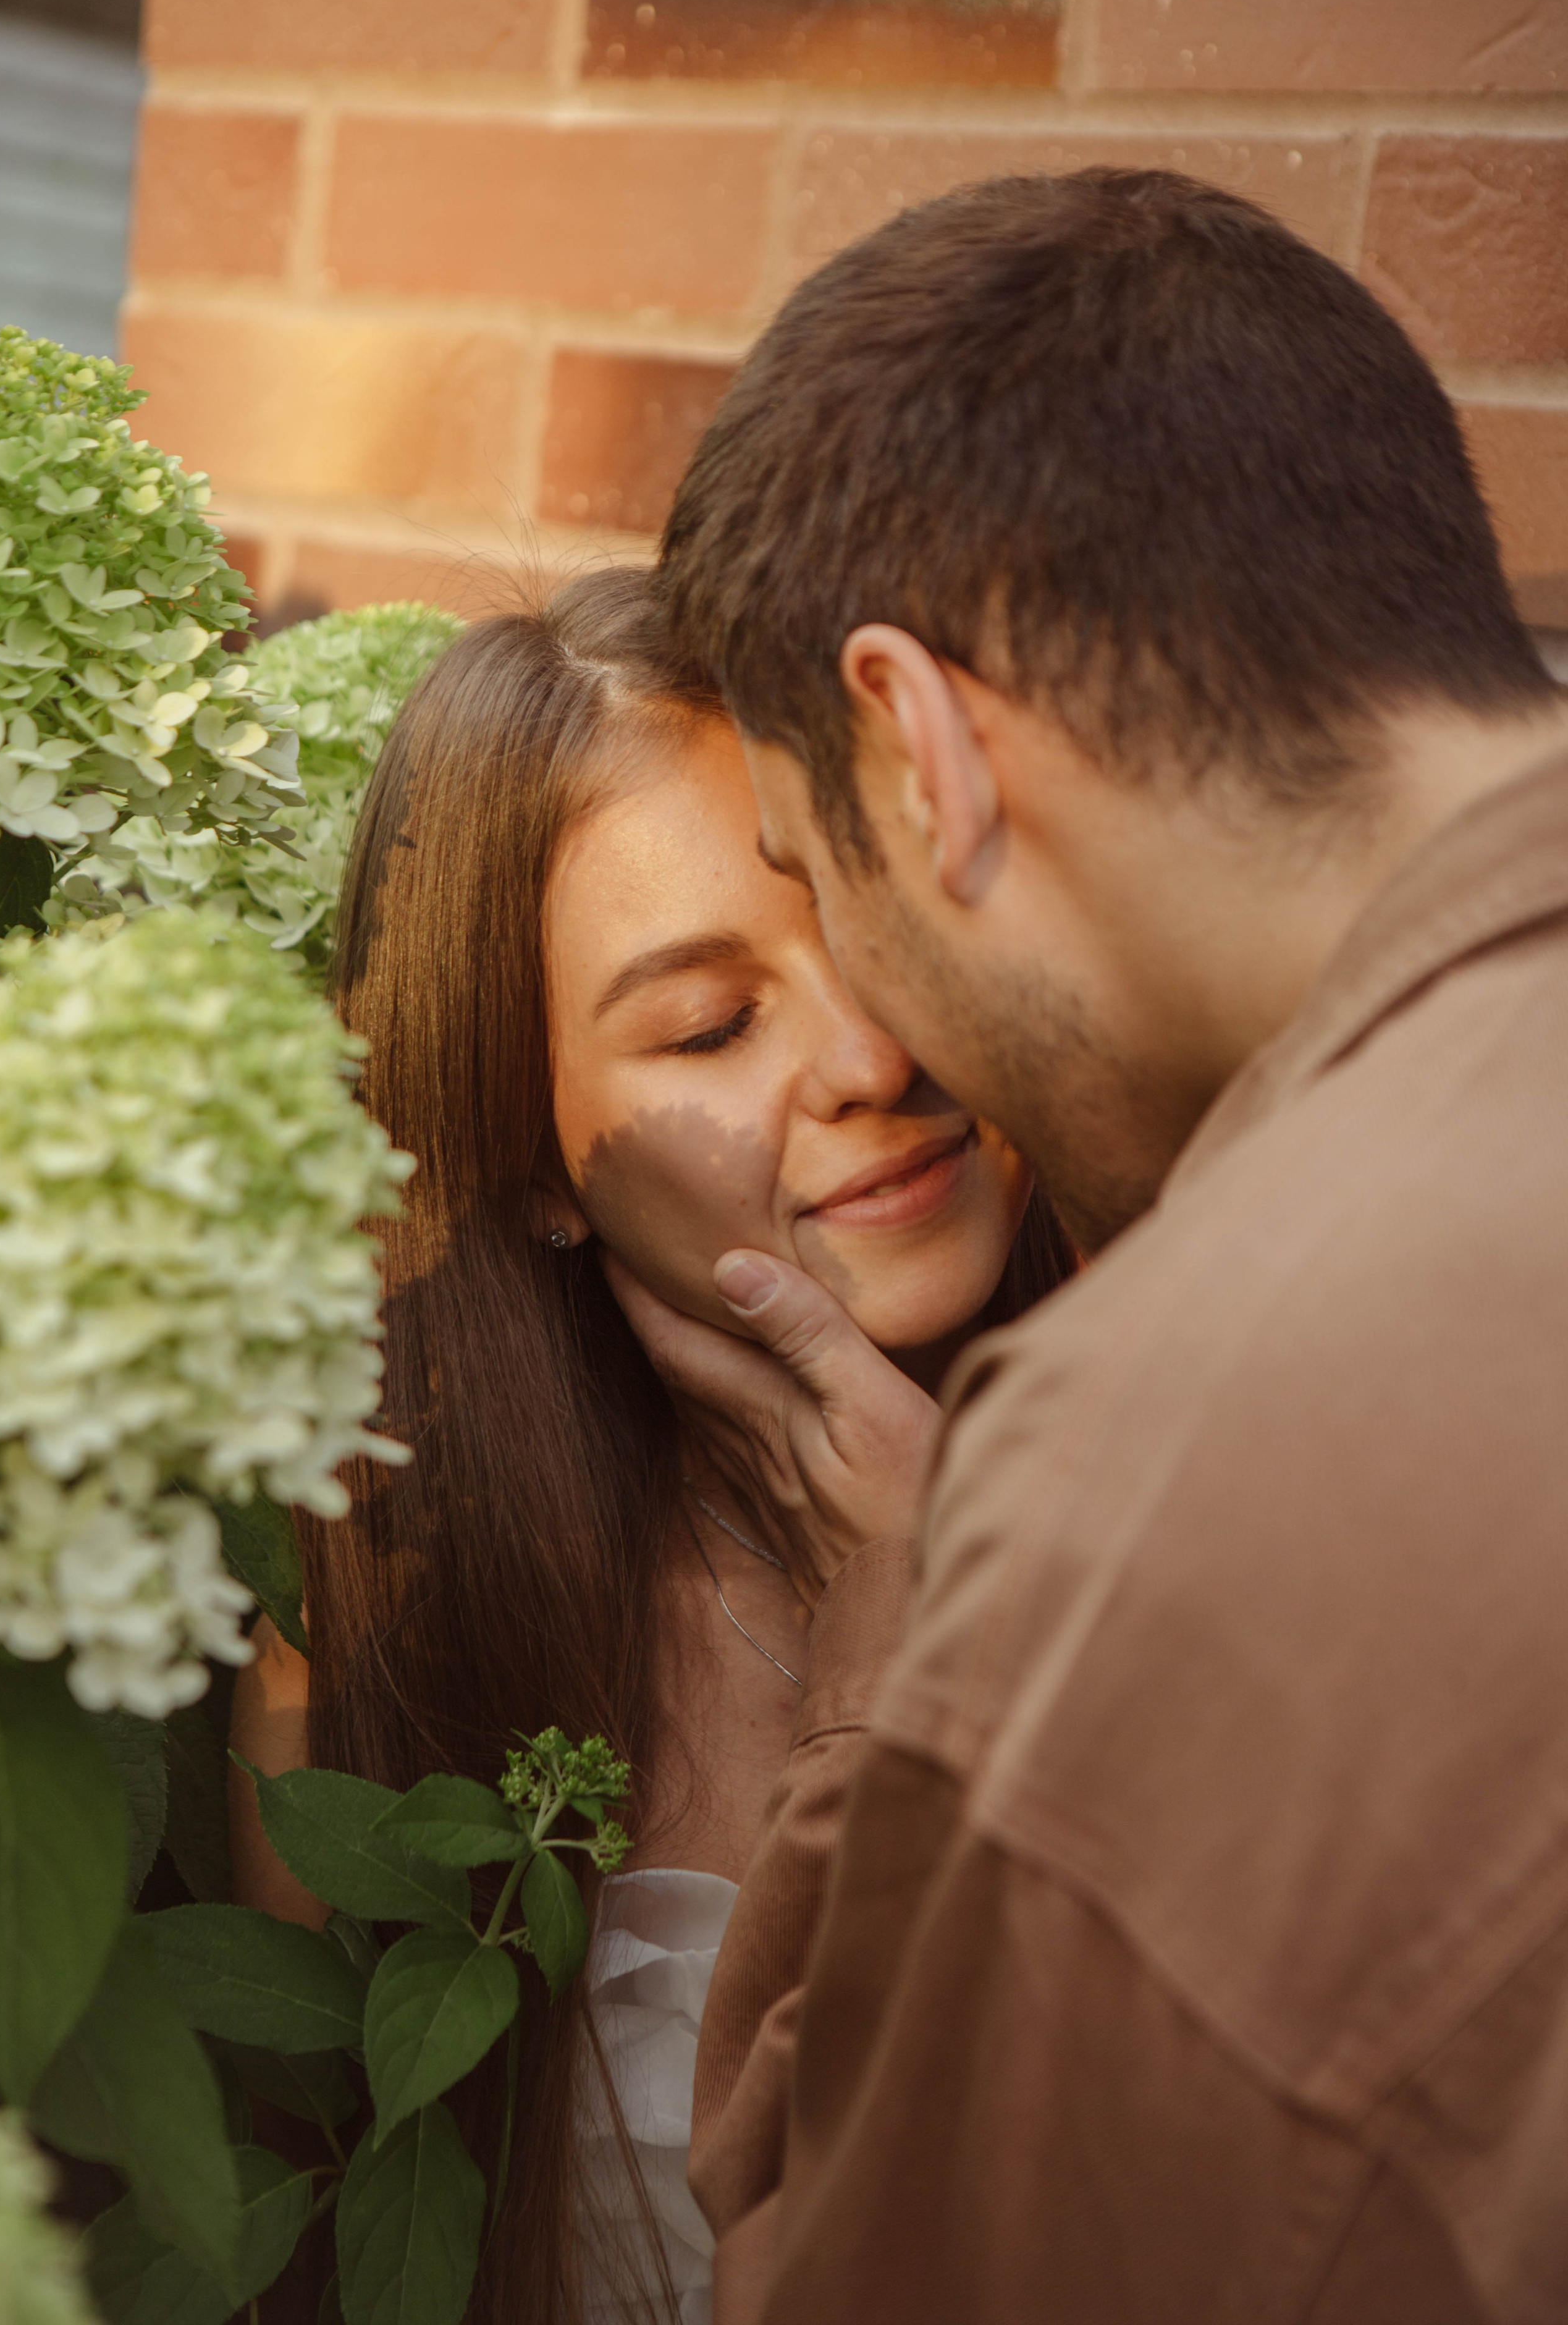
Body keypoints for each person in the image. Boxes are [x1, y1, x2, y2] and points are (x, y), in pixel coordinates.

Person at [628, 167, 1568, 2321]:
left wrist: (914, 1648)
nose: (872, 1046)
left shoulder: (1174, 1434)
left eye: (815, 877)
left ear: (922, 749)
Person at [228, 565, 1073, 2325]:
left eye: (881, 926)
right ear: (531, 1161)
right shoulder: (378, 1608)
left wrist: (932, 1602)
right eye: (710, 1024)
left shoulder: (1222, 1494)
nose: (870, 1055)